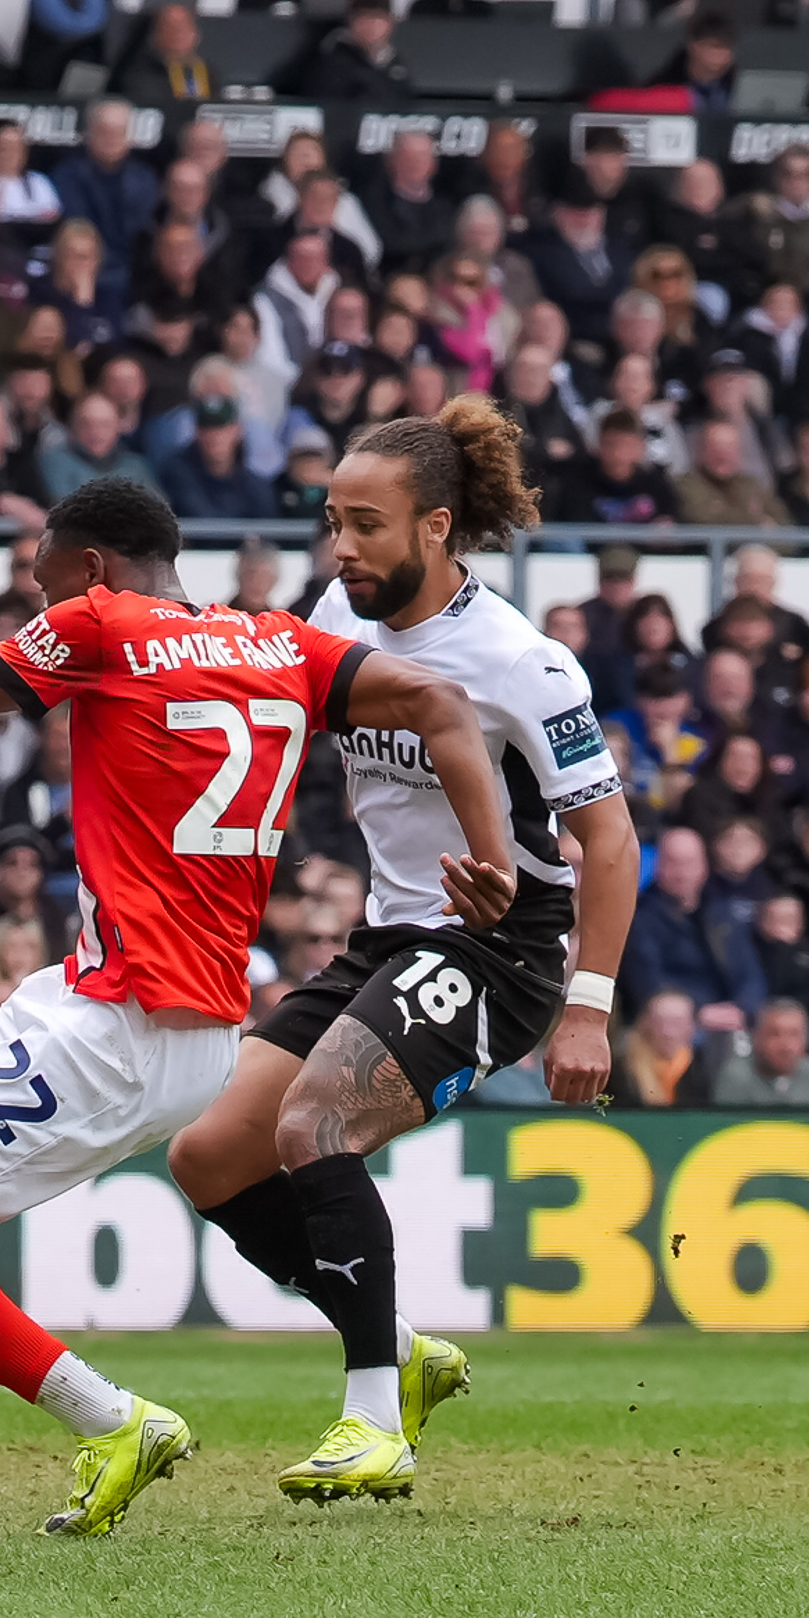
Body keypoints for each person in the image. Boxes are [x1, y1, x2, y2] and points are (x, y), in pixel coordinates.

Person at [0, 473, 512, 1536]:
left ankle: (112, 1415)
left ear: (86, 570)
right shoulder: (276, 642)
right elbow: (444, 705)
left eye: (42, 587)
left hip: (125, 1023)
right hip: (123, 1000)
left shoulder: (99, 625)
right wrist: (490, 861)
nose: (41, 611)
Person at [163, 400, 638, 1494]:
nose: (341, 547)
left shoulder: (525, 663)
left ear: (435, 525)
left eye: (365, 524)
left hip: (498, 947)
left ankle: (372, 1412)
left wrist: (588, 1003)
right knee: (207, 1156)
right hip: (388, 936)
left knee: (312, 1121)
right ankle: (410, 1347)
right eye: (332, 520)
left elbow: (607, 838)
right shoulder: (340, 609)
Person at [714, 997, 809, 1104]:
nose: (785, 1045)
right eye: (775, 1034)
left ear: (806, 1040)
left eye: (794, 1035)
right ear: (757, 1038)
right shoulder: (737, 1075)